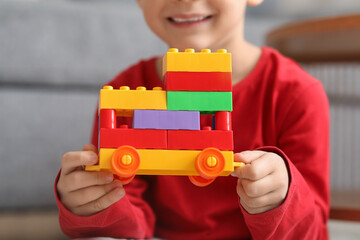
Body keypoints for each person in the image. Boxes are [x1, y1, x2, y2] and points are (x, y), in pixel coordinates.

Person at [55, 0, 330, 239]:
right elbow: (125, 222)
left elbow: (312, 232)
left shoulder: (297, 94)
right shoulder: (121, 90)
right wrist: (94, 205)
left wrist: (283, 198)